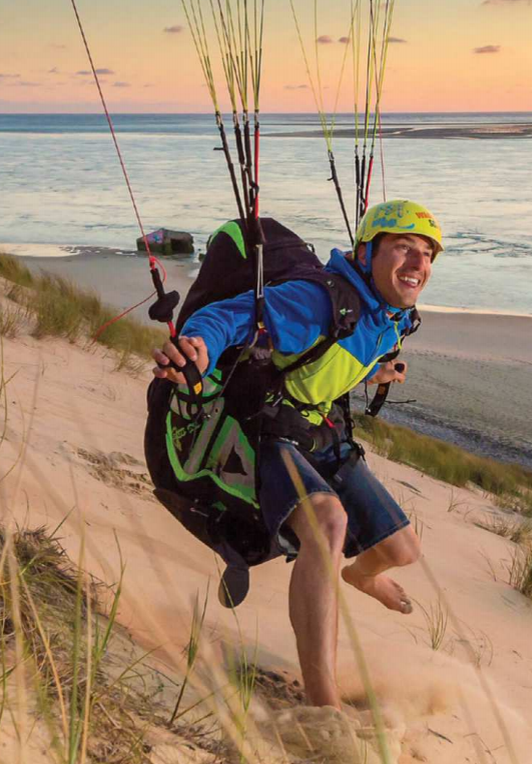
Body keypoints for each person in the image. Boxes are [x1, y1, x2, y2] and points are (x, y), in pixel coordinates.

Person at [152, 200, 444, 708]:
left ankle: (361, 574)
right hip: (266, 428)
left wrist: (374, 372)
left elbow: (329, 359)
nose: (418, 263)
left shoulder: (392, 316)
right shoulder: (316, 301)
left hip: (316, 429)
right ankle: (323, 703)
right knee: (327, 524)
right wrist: (198, 346)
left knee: (403, 550)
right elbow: (231, 317)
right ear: (366, 252)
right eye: (403, 248)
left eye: (427, 253)